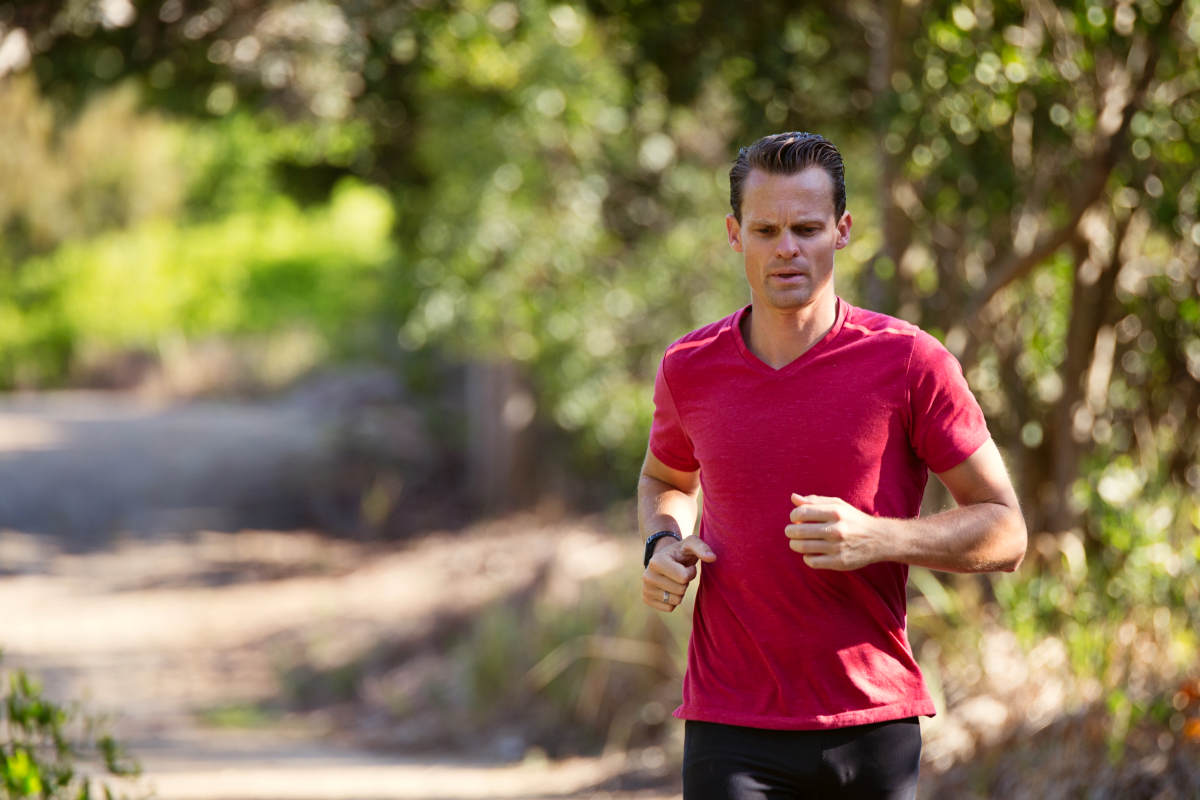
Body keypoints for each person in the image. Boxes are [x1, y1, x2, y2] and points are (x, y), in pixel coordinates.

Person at [637, 132, 1027, 799]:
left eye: (806, 228)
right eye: (766, 229)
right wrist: (661, 542)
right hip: (731, 722)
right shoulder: (690, 368)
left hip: (869, 722)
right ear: (736, 234)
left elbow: (1007, 532)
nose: (786, 247)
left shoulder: (910, 364)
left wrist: (880, 537)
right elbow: (665, 479)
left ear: (842, 231)